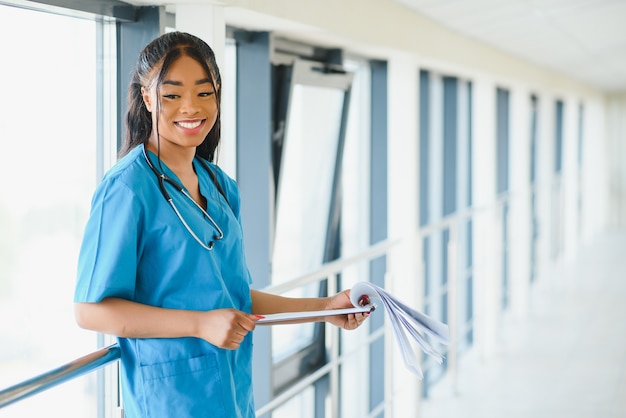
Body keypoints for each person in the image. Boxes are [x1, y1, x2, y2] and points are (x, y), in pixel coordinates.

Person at [73, 31, 369, 418]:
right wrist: (200, 324)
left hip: (230, 392)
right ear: (147, 98)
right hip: (169, 401)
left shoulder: (218, 185)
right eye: (172, 94)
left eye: (204, 92)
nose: (191, 108)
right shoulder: (127, 188)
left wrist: (324, 308)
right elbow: (90, 311)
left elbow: (234, 298)